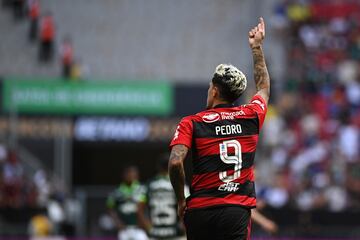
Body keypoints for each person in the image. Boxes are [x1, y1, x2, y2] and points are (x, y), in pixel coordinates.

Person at [168, 17, 270, 240]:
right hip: (236, 210)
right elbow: (263, 88)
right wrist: (256, 47)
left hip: (200, 211)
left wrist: (180, 200)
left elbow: (176, 162)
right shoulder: (251, 115)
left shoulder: (192, 122)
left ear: (214, 90)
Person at [137, 155, 187, 240]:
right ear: (171, 166)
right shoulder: (179, 183)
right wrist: (183, 225)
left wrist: (147, 226)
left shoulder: (148, 185)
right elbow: (188, 205)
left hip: (155, 232)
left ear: (158, 167)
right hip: (176, 232)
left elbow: (139, 209)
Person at [106, 166, 148, 240]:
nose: (130, 176)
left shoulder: (142, 189)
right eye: (128, 174)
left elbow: (148, 206)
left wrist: (146, 222)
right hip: (124, 230)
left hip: (139, 229)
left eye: (133, 174)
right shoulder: (117, 192)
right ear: (123, 175)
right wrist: (117, 222)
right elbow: (110, 208)